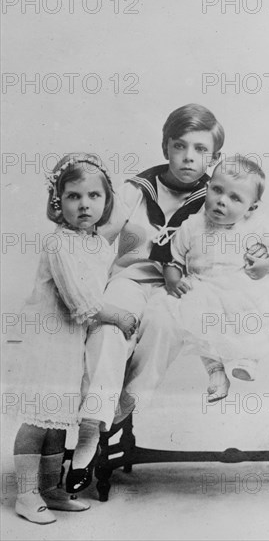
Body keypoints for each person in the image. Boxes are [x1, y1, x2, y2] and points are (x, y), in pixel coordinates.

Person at [67, 104, 225, 491]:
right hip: (131, 278)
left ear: (215, 157)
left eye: (201, 149)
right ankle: (91, 428)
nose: (189, 157)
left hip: (179, 288)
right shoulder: (136, 190)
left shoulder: (216, 198)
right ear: (165, 146)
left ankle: (121, 407)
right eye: (179, 146)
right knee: (110, 324)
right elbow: (99, 241)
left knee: (165, 322)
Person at [13, 153, 137, 524]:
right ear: (57, 201)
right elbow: (79, 300)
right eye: (73, 196)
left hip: (72, 343)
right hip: (49, 341)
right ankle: (25, 493)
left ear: (106, 201)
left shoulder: (97, 244)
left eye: (94, 196)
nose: (84, 204)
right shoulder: (60, 244)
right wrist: (116, 315)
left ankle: (51, 488)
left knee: (57, 422)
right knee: (38, 420)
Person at [131, 155, 269, 405]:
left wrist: (268, 265)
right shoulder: (192, 225)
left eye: (235, 198)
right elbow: (173, 259)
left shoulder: (260, 225)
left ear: (251, 208)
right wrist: (173, 280)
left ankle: (247, 360)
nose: (222, 201)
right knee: (191, 311)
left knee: (257, 307)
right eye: (217, 190)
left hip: (242, 286)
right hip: (205, 286)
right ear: (208, 188)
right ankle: (215, 370)